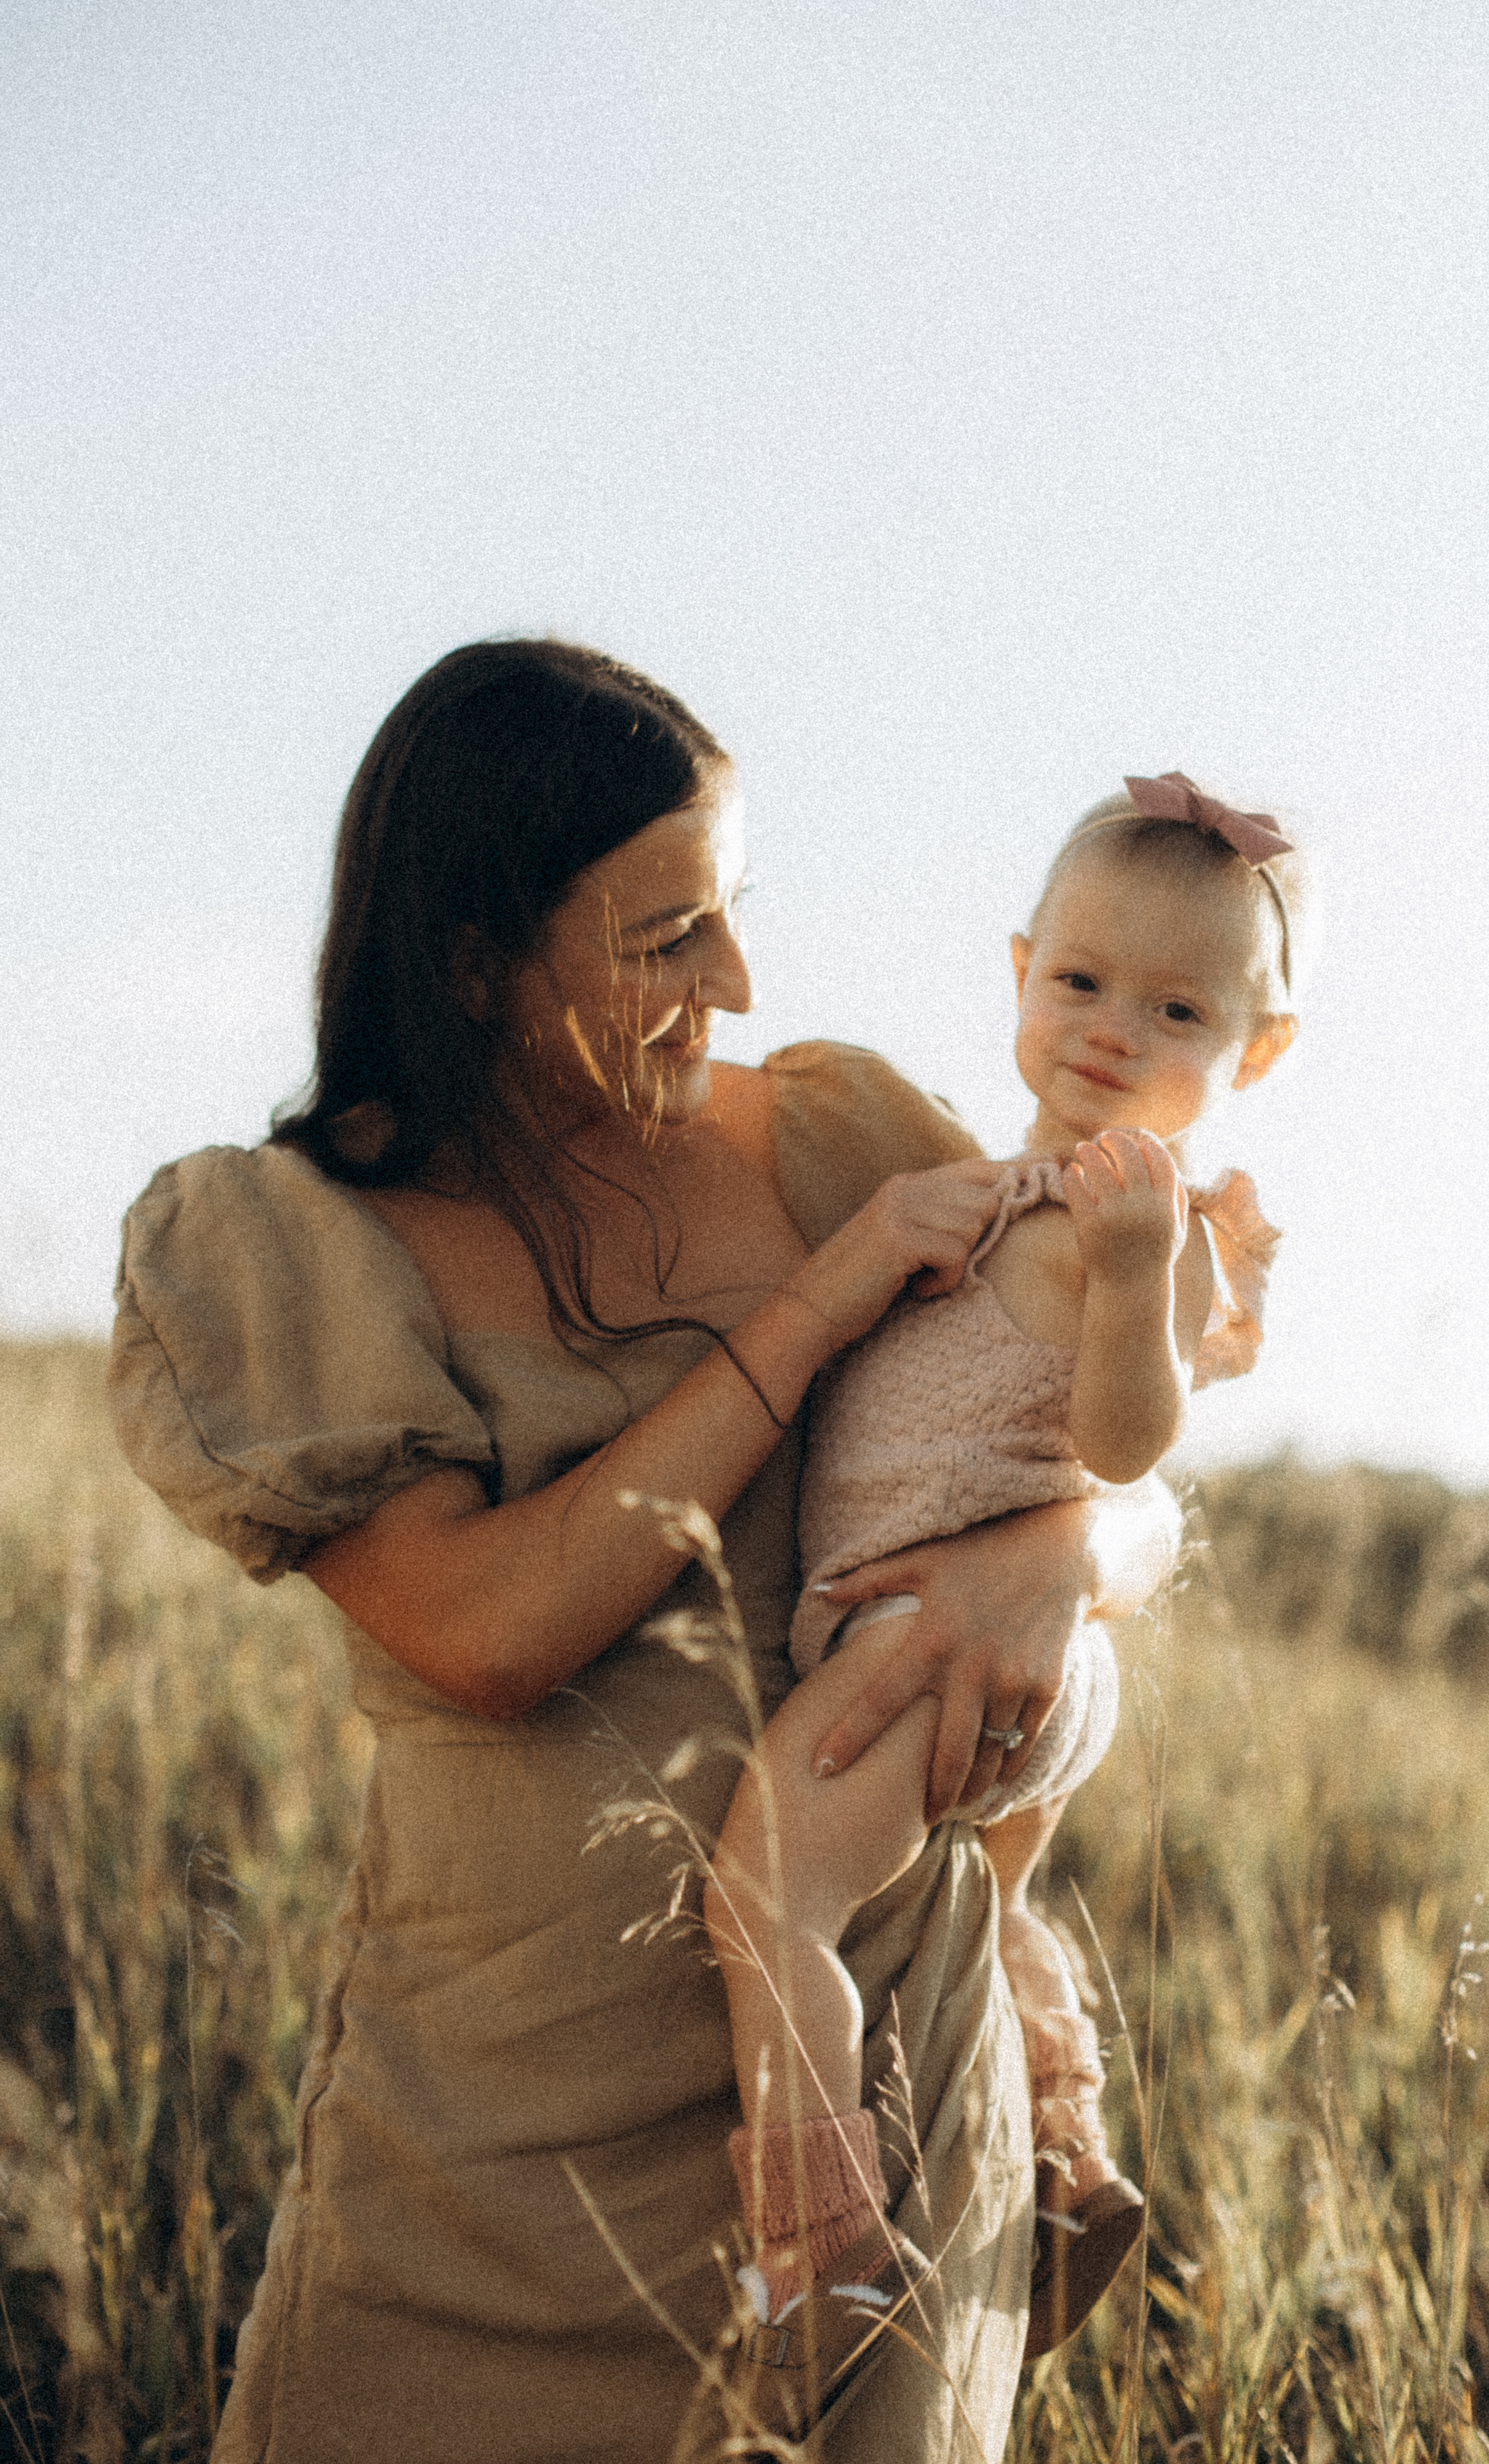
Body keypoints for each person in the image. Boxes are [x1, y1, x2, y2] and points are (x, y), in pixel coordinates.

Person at [106, 638, 1182, 2464]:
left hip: (872, 2079)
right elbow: (489, 1629)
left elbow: (1102, 1444)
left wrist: (1067, 1557)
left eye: (733, 914)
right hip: (498, 2146)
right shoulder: (286, 1239)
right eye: (664, 935)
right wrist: (826, 1306)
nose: (737, 980)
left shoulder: (832, 1135)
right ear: (470, 961)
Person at [701, 773, 1307, 2424]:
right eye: (1082, 982)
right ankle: (1058, 2155)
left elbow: (1123, 1444)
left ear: (1253, 1053)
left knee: (764, 1899)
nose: (1114, 1028)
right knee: (996, 1908)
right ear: (1022, 967)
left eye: (1177, 1008)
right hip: (954, 1629)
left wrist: (1130, 1283)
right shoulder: (995, 1188)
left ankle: (815, 2270)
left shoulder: (1142, 1222)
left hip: (959, 1639)